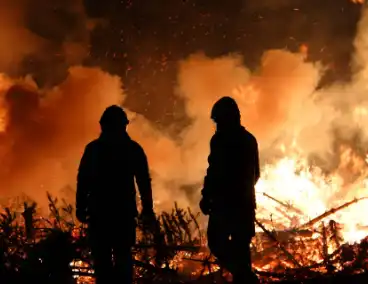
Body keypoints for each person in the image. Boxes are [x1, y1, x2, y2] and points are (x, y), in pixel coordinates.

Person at [76, 105, 155, 284]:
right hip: (121, 215)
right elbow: (143, 181)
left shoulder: (94, 149)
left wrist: (81, 207)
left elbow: (83, 180)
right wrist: (147, 209)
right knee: (122, 260)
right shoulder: (133, 149)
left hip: (100, 214)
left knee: (104, 262)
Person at [200, 96, 260, 283]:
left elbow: (214, 172)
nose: (217, 125)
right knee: (239, 249)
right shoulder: (248, 140)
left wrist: (209, 196)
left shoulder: (221, 141)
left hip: (226, 206)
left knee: (218, 243)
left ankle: (245, 277)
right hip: (240, 205)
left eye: (218, 121)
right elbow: (255, 174)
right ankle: (245, 276)